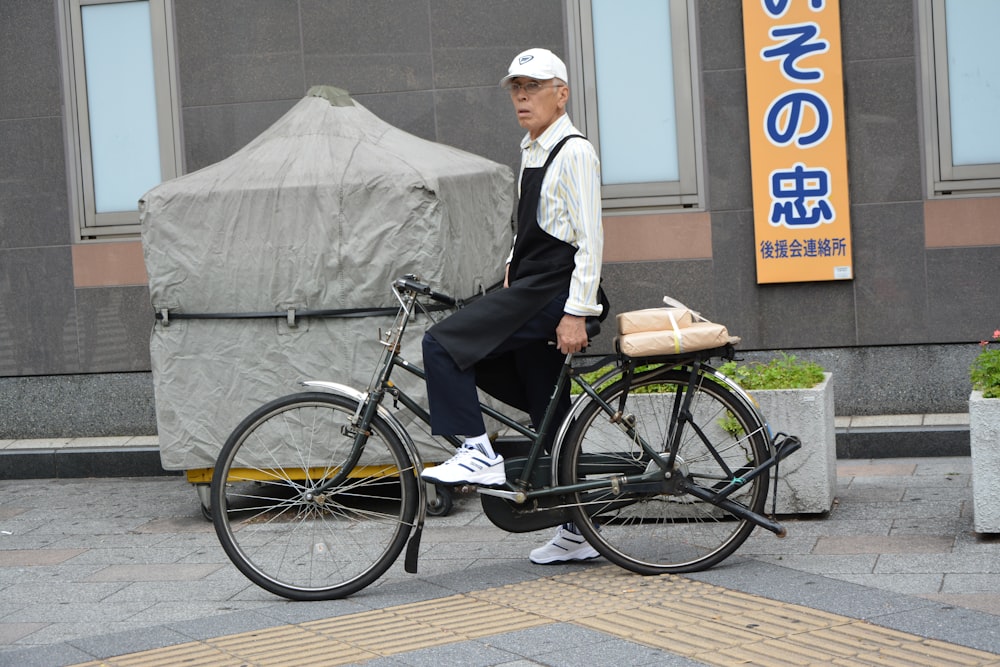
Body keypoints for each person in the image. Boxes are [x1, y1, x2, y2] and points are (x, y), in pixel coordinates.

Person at [419, 48, 606, 564]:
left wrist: (577, 312)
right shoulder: (531, 148)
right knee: (552, 415)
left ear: (560, 94)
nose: (522, 97)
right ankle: (577, 529)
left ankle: (477, 453)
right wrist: (506, 272)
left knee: (443, 343)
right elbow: (532, 229)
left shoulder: (573, 152)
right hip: (529, 287)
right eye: (515, 89)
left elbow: (590, 240)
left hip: (553, 294)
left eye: (533, 87)